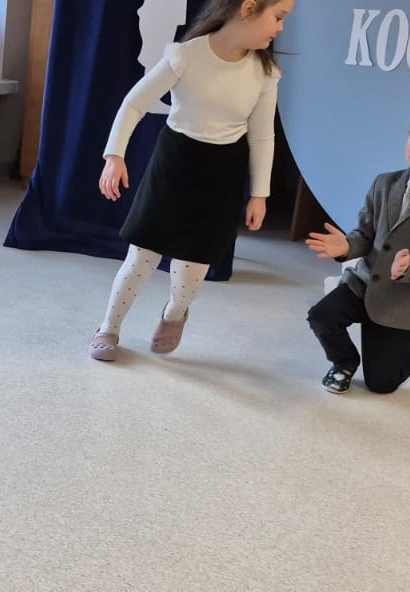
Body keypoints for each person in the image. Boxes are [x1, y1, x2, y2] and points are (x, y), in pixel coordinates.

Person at [89, 0, 295, 361]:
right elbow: (134, 103)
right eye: (278, 17)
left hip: (222, 173)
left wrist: (259, 194)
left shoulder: (264, 72)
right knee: (142, 256)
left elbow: (262, 136)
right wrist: (114, 155)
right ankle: (109, 327)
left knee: (192, 266)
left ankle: (175, 312)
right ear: (248, 8)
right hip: (174, 163)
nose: (280, 28)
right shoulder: (186, 56)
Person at [305, 94, 410, 394]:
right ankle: (343, 362)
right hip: (363, 283)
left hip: (401, 301)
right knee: (321, 316)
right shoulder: (383, 183)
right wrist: (346, 247)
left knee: (381, 383)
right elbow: (365, 235)